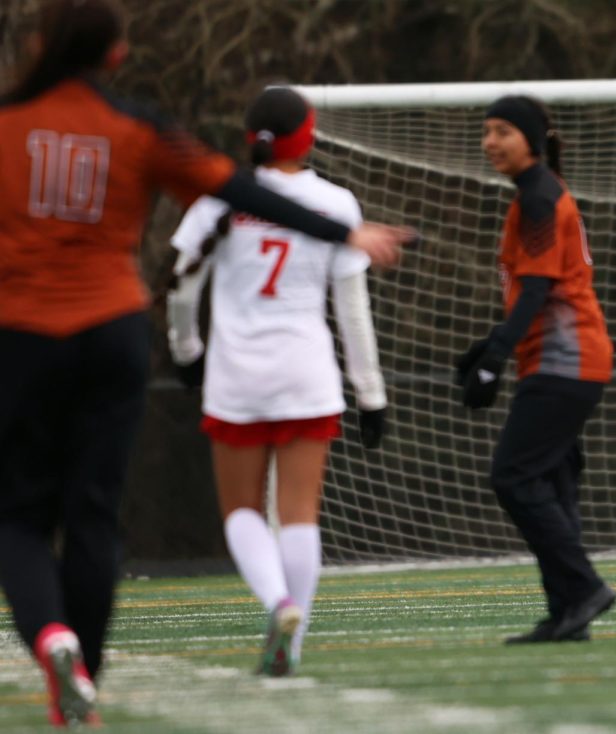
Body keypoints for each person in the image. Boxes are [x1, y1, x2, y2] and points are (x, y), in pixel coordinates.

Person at [0, 0, 409, 725]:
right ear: (117, 55)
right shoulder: (138, 129)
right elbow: (241, 190)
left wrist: (188, 352)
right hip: (115, 333)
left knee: (21, 517)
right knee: (96, 512)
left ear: (37, 43)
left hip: (27, 335)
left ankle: (53, 637)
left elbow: (201, 254)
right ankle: (88, 679)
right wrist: (345, 234)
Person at [166, 86, 389, 676]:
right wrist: (370, 393)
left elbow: (181, 286)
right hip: (307, 371)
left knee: (240, 511)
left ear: (250, 137)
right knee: (299, 514)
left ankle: (278, 604)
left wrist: (185, 352)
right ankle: (293, 638)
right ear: (308, 136)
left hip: (236, 374)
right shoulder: (337, 203)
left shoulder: (219, 198)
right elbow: (352, 309)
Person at [457, 95, 615, 643]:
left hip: (564, 360)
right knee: (552, 479)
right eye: (486, 130)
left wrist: (496, 357)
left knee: (513, 476)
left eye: (501, 130)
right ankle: (568, 612)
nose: (489, 142)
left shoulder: (541, 196)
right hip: (565, 359)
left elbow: (540, 290)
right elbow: (535, 288)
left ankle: (585, 588)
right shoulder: (535, 195)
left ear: (530, 137)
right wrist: (489, 347)